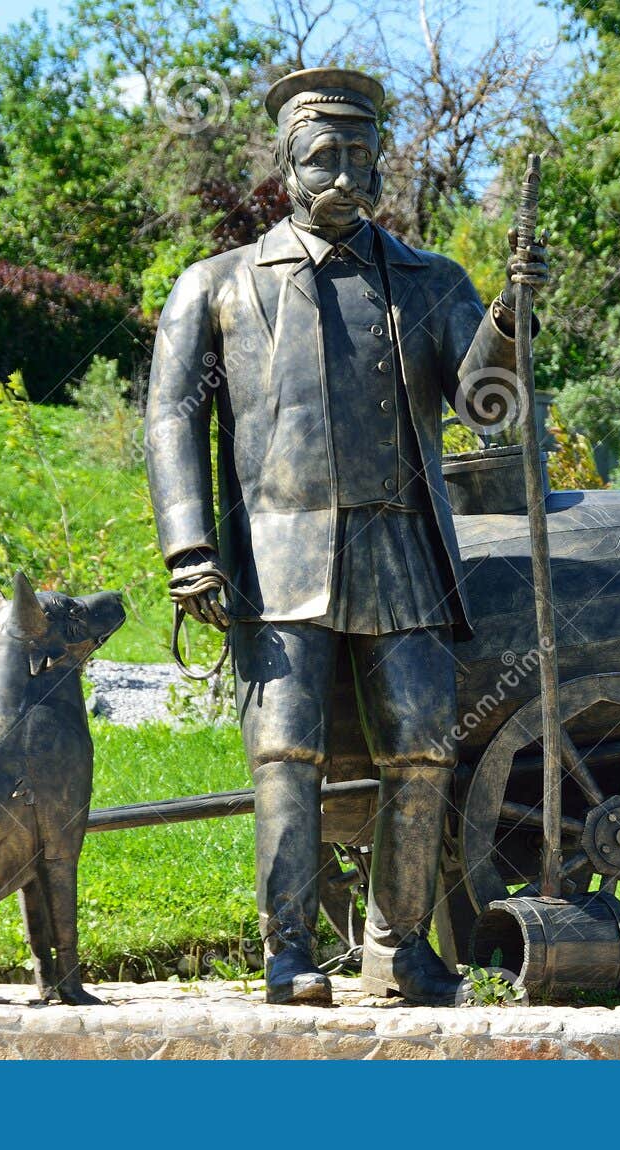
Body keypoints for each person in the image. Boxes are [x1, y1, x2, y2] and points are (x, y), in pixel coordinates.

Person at [145, 67, 547, 1005]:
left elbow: (491, 402)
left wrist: (509, 321)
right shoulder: (218, 286)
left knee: (421, 747)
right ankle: (287, 953)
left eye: (361, 156)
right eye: (324, 154)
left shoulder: (426, 280)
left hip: (401, 551)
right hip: (276, 557)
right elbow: (170, 419)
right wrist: (188, 549)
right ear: (287, 165)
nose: (345, 172)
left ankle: (396, 947)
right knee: (285, 752)